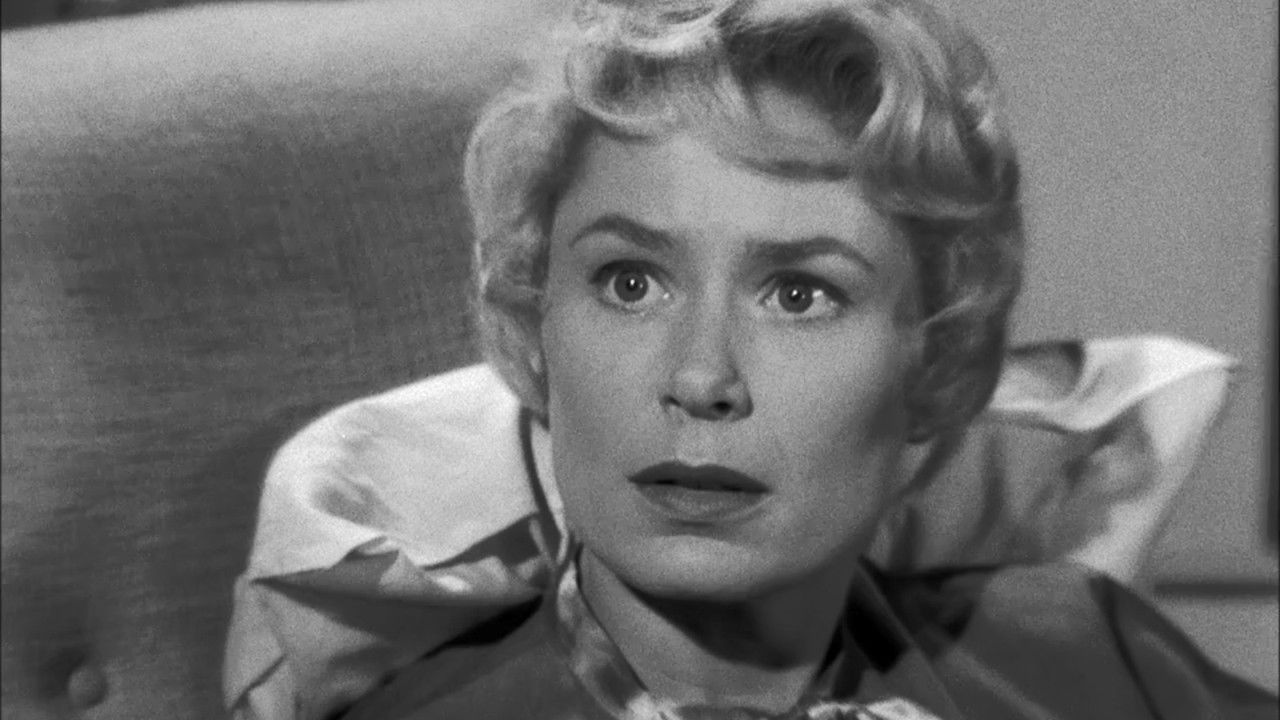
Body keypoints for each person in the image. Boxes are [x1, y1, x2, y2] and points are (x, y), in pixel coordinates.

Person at [329, 0, 1277, 717]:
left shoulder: (1085, 656)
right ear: (533, 329)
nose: (700, 379)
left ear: (935, 363)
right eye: (630, 282)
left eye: (799, 295)